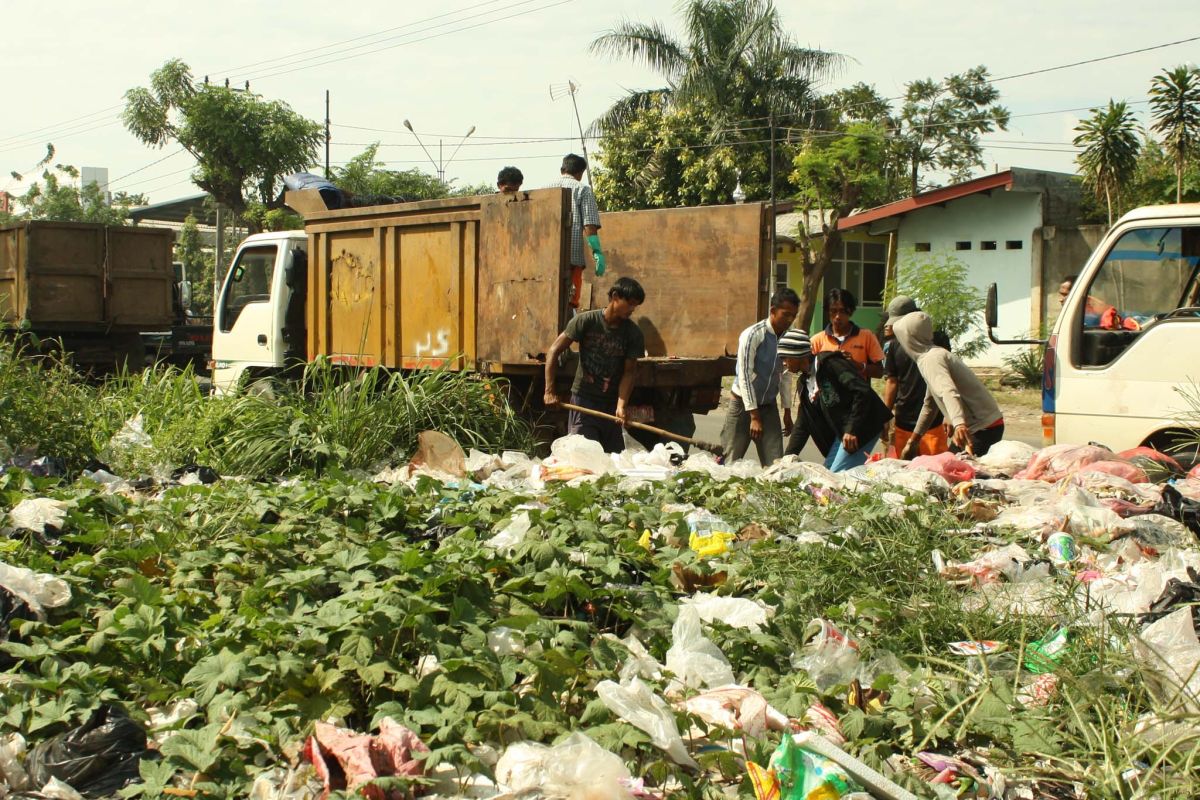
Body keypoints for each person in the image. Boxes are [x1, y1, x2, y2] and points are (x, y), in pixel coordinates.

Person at [543, 277, 646, 453]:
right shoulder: (586, 321)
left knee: (613, 460)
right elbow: (553, 351)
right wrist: (549, 391)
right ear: (615, 296)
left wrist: (621, 406)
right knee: (583, 455)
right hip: (584, 401)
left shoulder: (633, 333)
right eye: (629, 304)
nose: (632, 309)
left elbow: (629, 373)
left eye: (635, 306)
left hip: (611, 405)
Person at [892, 311, 1005, 458]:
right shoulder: (931, 356)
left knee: (955, 472)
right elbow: (930, 403)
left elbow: (948, 391)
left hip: (982, 427)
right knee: (952, 467)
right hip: (980, 426)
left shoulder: (931, 359)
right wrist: (914, 440)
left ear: (910, 338)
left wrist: (959, 424)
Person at [780, 329, 892, 472]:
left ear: (798, 354)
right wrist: (787, 459)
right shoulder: (804, 383)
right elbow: (803, 424)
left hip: (862, 424)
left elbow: (861, 391)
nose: (784, 363)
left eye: (786, 357)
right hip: (844, 432)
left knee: (837, 476)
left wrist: (852, 429)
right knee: (827, 473)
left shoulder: (831, 365)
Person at [721, 288, 799, 466]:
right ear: (772, 311)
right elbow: (745, 377)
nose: (789, 320)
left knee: (775, 463)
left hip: (768, 405)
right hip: (742, 405)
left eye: (793, 316)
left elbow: (785, 376)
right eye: (785, 314)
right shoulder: (753, 335)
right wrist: (754, 416)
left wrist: (787, 411)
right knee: (730, 460)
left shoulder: (788, 338)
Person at [882, 295, 950, 458]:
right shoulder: (894, 346)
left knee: (936, 475)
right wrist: (885, 416)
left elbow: (947, 380)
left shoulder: (938, 341)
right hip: (904, 421)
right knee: (904, 474)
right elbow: (892, 382)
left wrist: (949, 415)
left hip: (933, 422)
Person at [545, 154, 604, 312]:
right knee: (570, 301)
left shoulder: (545, 189)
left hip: (547, 258)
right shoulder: (582, 189)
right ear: (580, 173)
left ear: (562, 169)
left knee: (550, 300)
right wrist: (597, 252)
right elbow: (589, 225)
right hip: (573, 257)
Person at [810, 288, 884, 379]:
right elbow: (808, 370)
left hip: (857, 392)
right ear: (827, 312)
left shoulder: (867, 336)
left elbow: (880, 372)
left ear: (850, 312)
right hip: (826, 393)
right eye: (833, 311)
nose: (837, 316)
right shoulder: (817, 340)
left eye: (842, 311)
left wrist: (858, 366)